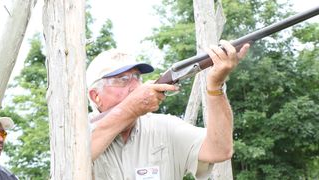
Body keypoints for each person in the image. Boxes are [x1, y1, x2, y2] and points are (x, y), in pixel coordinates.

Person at [87, 40, 250, 180]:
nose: (135, 87)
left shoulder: (165, 127)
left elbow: (220, 150)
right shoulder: (74, 137)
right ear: (95, 96)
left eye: (137, 77)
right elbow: (69, 161)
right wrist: (130, 109)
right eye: (122, 79)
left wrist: (215, 86)